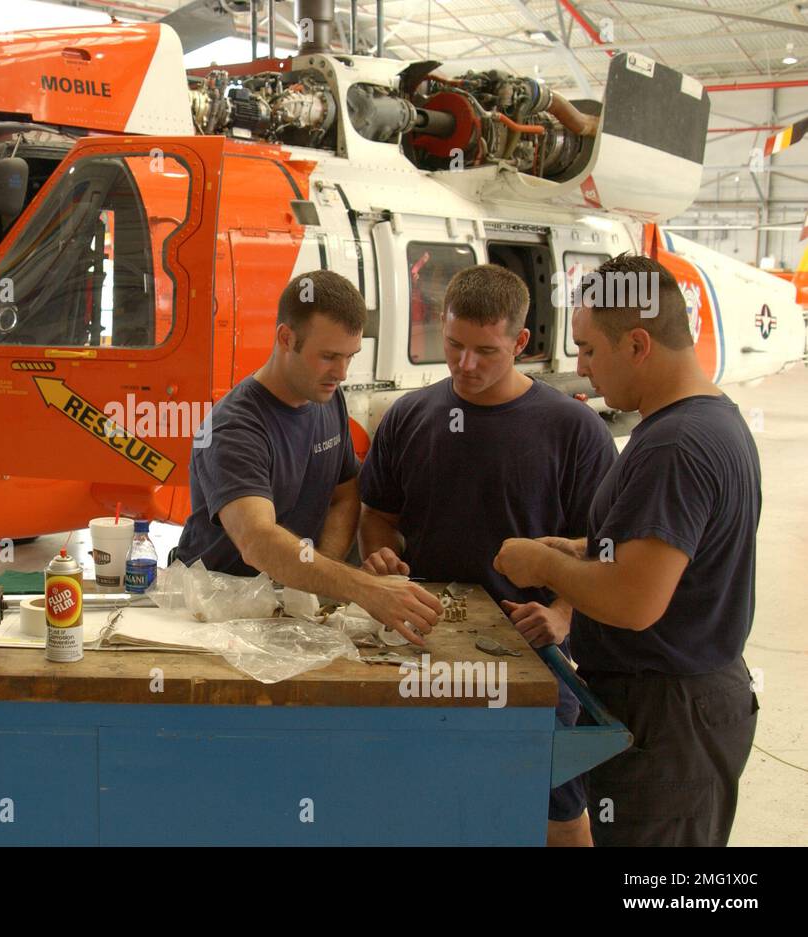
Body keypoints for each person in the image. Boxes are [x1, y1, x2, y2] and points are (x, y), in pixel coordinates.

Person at [494, 253, 761, 847]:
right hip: (678, 704)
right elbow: (679, 544)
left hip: (669, 716)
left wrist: (544, 564)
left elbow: (635, 600)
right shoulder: (708, 421)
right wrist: (588, 545)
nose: (583, 369)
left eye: (589, 349)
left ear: (638, 343)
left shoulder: (676, 445)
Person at [357, 263, 616, 846]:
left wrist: (563, 615)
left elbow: (604, 549)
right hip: (421, 650)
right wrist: (380, 559)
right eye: (452, 345)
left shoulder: (575, 431)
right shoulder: (408, 416)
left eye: (485, 350)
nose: (465, 365)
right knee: (428, 804)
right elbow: (380, 514)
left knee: (555, 810)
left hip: (534, 660)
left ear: (521, 343)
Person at [175, 270, 441, 643]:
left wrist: (319, 578)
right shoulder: (233, 429)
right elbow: (259, 542)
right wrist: (363, 587)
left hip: (286, 612)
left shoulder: (325, 396)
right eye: (329, 356)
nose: (342, 373)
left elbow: (344, 493)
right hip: (217, 614)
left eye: (350, 356)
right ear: (287, 338)